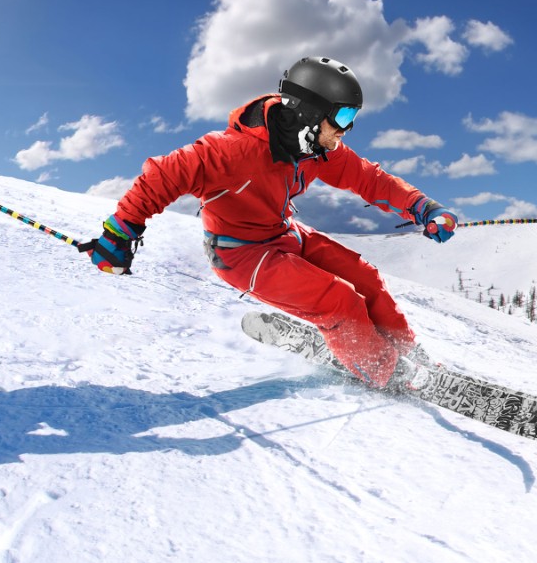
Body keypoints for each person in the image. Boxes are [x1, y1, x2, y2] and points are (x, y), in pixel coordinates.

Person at [82, 57, 457, 390]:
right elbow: (162, 175)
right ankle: (386, 373)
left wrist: (423, 207)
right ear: (308, 113)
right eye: (342, 117)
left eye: (351, 119)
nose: (345, 130)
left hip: (284, 234)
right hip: (241, 253)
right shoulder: (228, 152)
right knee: (340, 300)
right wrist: (121, 230)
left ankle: (407, 353)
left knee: (367, 279)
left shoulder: (314, 148)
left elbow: (369, 178)